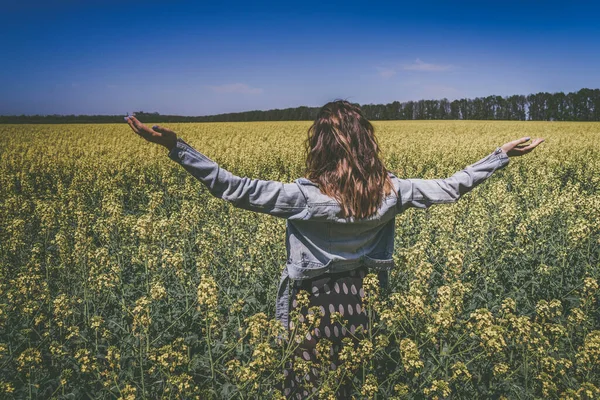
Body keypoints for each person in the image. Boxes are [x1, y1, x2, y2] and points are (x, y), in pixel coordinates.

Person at [125, 101, 544, 398]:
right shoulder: (394, 193)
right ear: (367, 144)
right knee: (352, 383)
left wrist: (175, 147)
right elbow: (453, 187)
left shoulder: (306, 199)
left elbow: (235, 188)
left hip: (313, 308)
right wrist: (499, 155)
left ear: (321, 148)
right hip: (362, 302)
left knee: (306, 387)